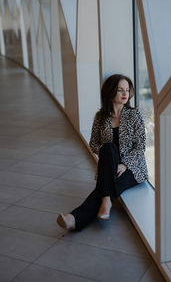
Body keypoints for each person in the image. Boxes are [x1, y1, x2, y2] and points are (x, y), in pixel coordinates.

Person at [56, 74, 149, 231]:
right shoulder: (100, 117)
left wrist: (125, 165)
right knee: (108, 148)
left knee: (105, 186)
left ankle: (74, 219)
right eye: (120, 90)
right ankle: (106, 201)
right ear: (110, 92)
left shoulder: (134, 115)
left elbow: (140, 146)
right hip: (109, 164)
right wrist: (111, 161)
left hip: (132, 169)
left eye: (127, 89)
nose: (125, 93)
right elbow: (94, 144)